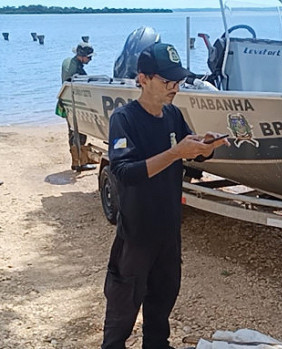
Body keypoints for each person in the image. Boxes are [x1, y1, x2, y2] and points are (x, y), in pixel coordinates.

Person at [101, 42, 229, 349]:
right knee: (123, 307)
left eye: (178, 81)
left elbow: (190, 153)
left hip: (169, 231)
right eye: (167, 81)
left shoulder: (173, 114)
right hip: (137, 233)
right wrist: (175, 153)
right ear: (143, 79)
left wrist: (205, 148)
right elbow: (124, 172)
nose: (175, 87)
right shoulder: (125, 119)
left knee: (162, 302)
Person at [61, 40, 97, 171]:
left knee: (72, 131)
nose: (90, 59)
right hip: (75, 104)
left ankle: (76, 162)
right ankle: (79, 163)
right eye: (89, 57)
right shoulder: (77, 71)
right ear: (81, 56)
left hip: (68, 102)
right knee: (79, 132)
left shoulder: (68, 62)